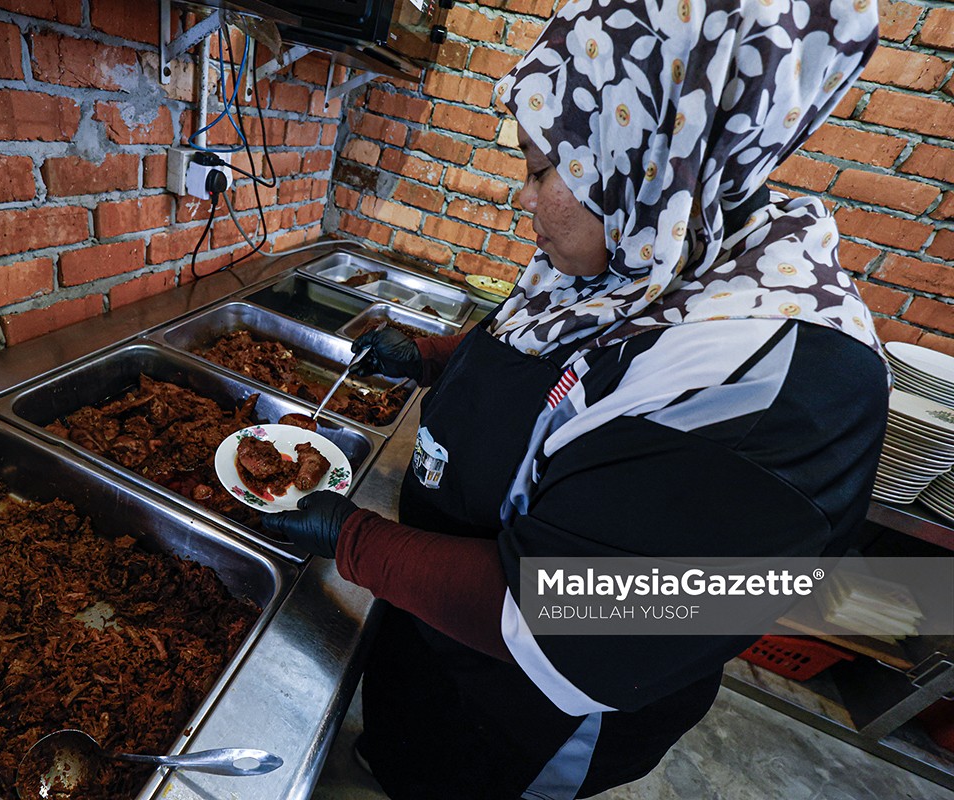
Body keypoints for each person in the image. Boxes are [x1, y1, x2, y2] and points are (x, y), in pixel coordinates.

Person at [263, 0, 889, 797]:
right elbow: (563, 362)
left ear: (637, 147)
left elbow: (567, 616)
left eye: (537, 168)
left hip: (525, 718)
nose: (522, 198)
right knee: (401, 752)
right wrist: (428, 358)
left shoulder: (778, 388)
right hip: (434, 633)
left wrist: (353, 541)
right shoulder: (651, 237)